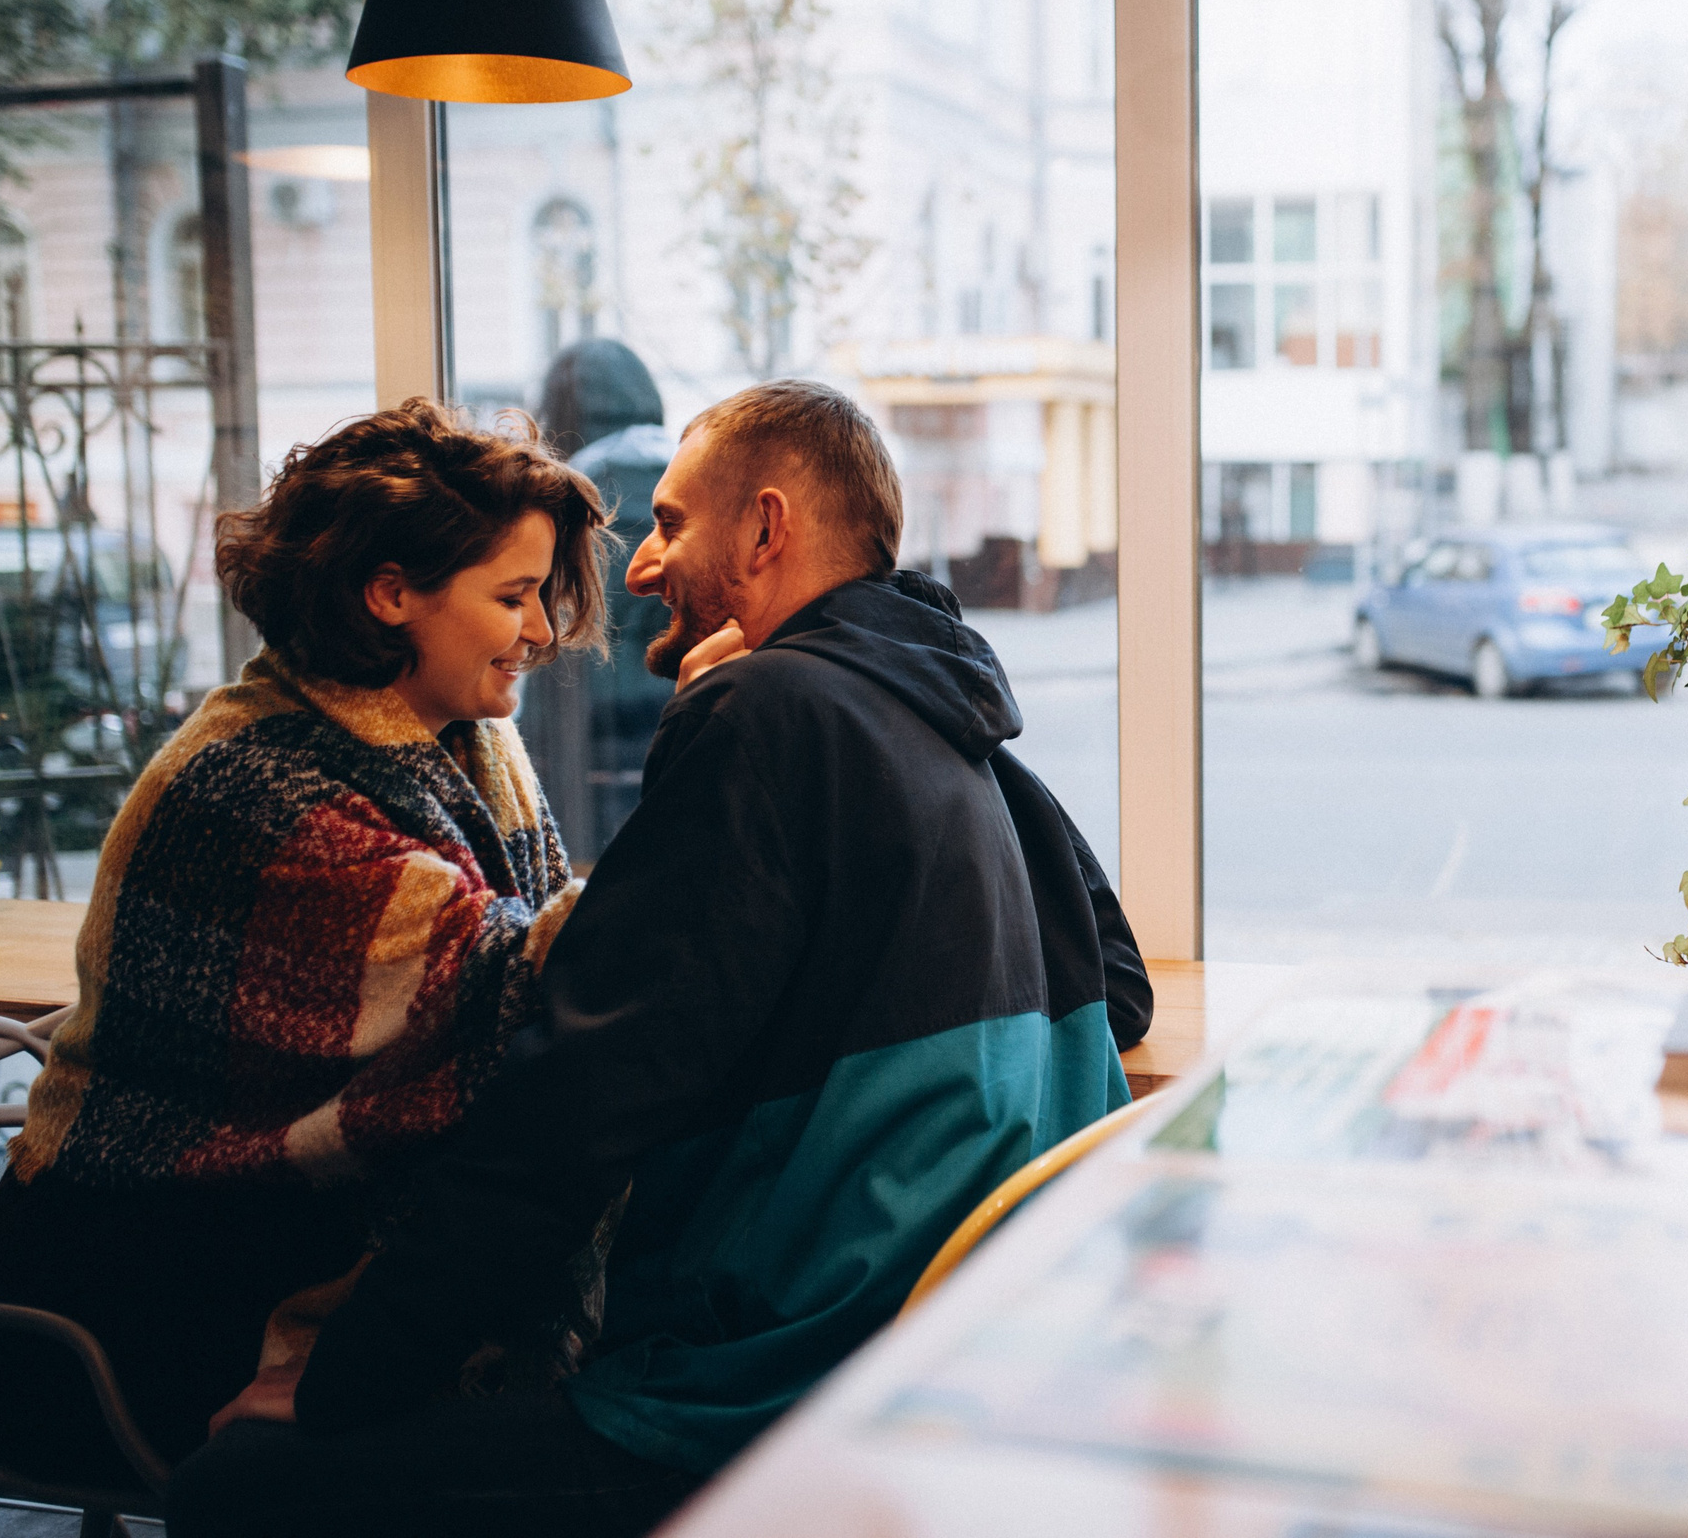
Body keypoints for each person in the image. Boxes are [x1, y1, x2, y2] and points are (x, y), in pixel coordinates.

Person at [165, 379, 1149, 1537]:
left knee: (234, 1490)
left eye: (673, 525)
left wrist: (340, 1381)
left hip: (773, 1395)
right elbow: (1118, 984)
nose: (637, 568)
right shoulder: (948, 710)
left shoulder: (766, 713)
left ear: (767, 529)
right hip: (975, 1361)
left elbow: (572, 1103)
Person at [0, 399, 611, 1488]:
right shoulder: (252, 793)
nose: (540, 631)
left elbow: (525, 956)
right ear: (392, 596)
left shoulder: (467, 742)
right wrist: (720, 783)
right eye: (513, 596)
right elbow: (518, 991)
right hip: (156, 1273)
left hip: (264, 1228)